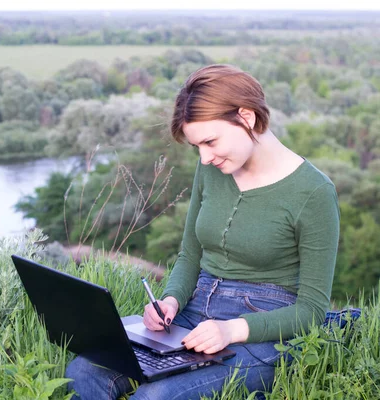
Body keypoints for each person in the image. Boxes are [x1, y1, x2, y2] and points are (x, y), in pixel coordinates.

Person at [65, 64, 340, 399]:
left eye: (210, 141)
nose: (205, 158)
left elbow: (311, 311)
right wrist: (170, 300)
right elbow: (191, 254)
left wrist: (230, 330)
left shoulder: (314, 193)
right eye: (198, 147)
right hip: (195, 311)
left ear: (246, 117)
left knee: (156, 397)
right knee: (82, 372)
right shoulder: (214, 167)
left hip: (262, 328)